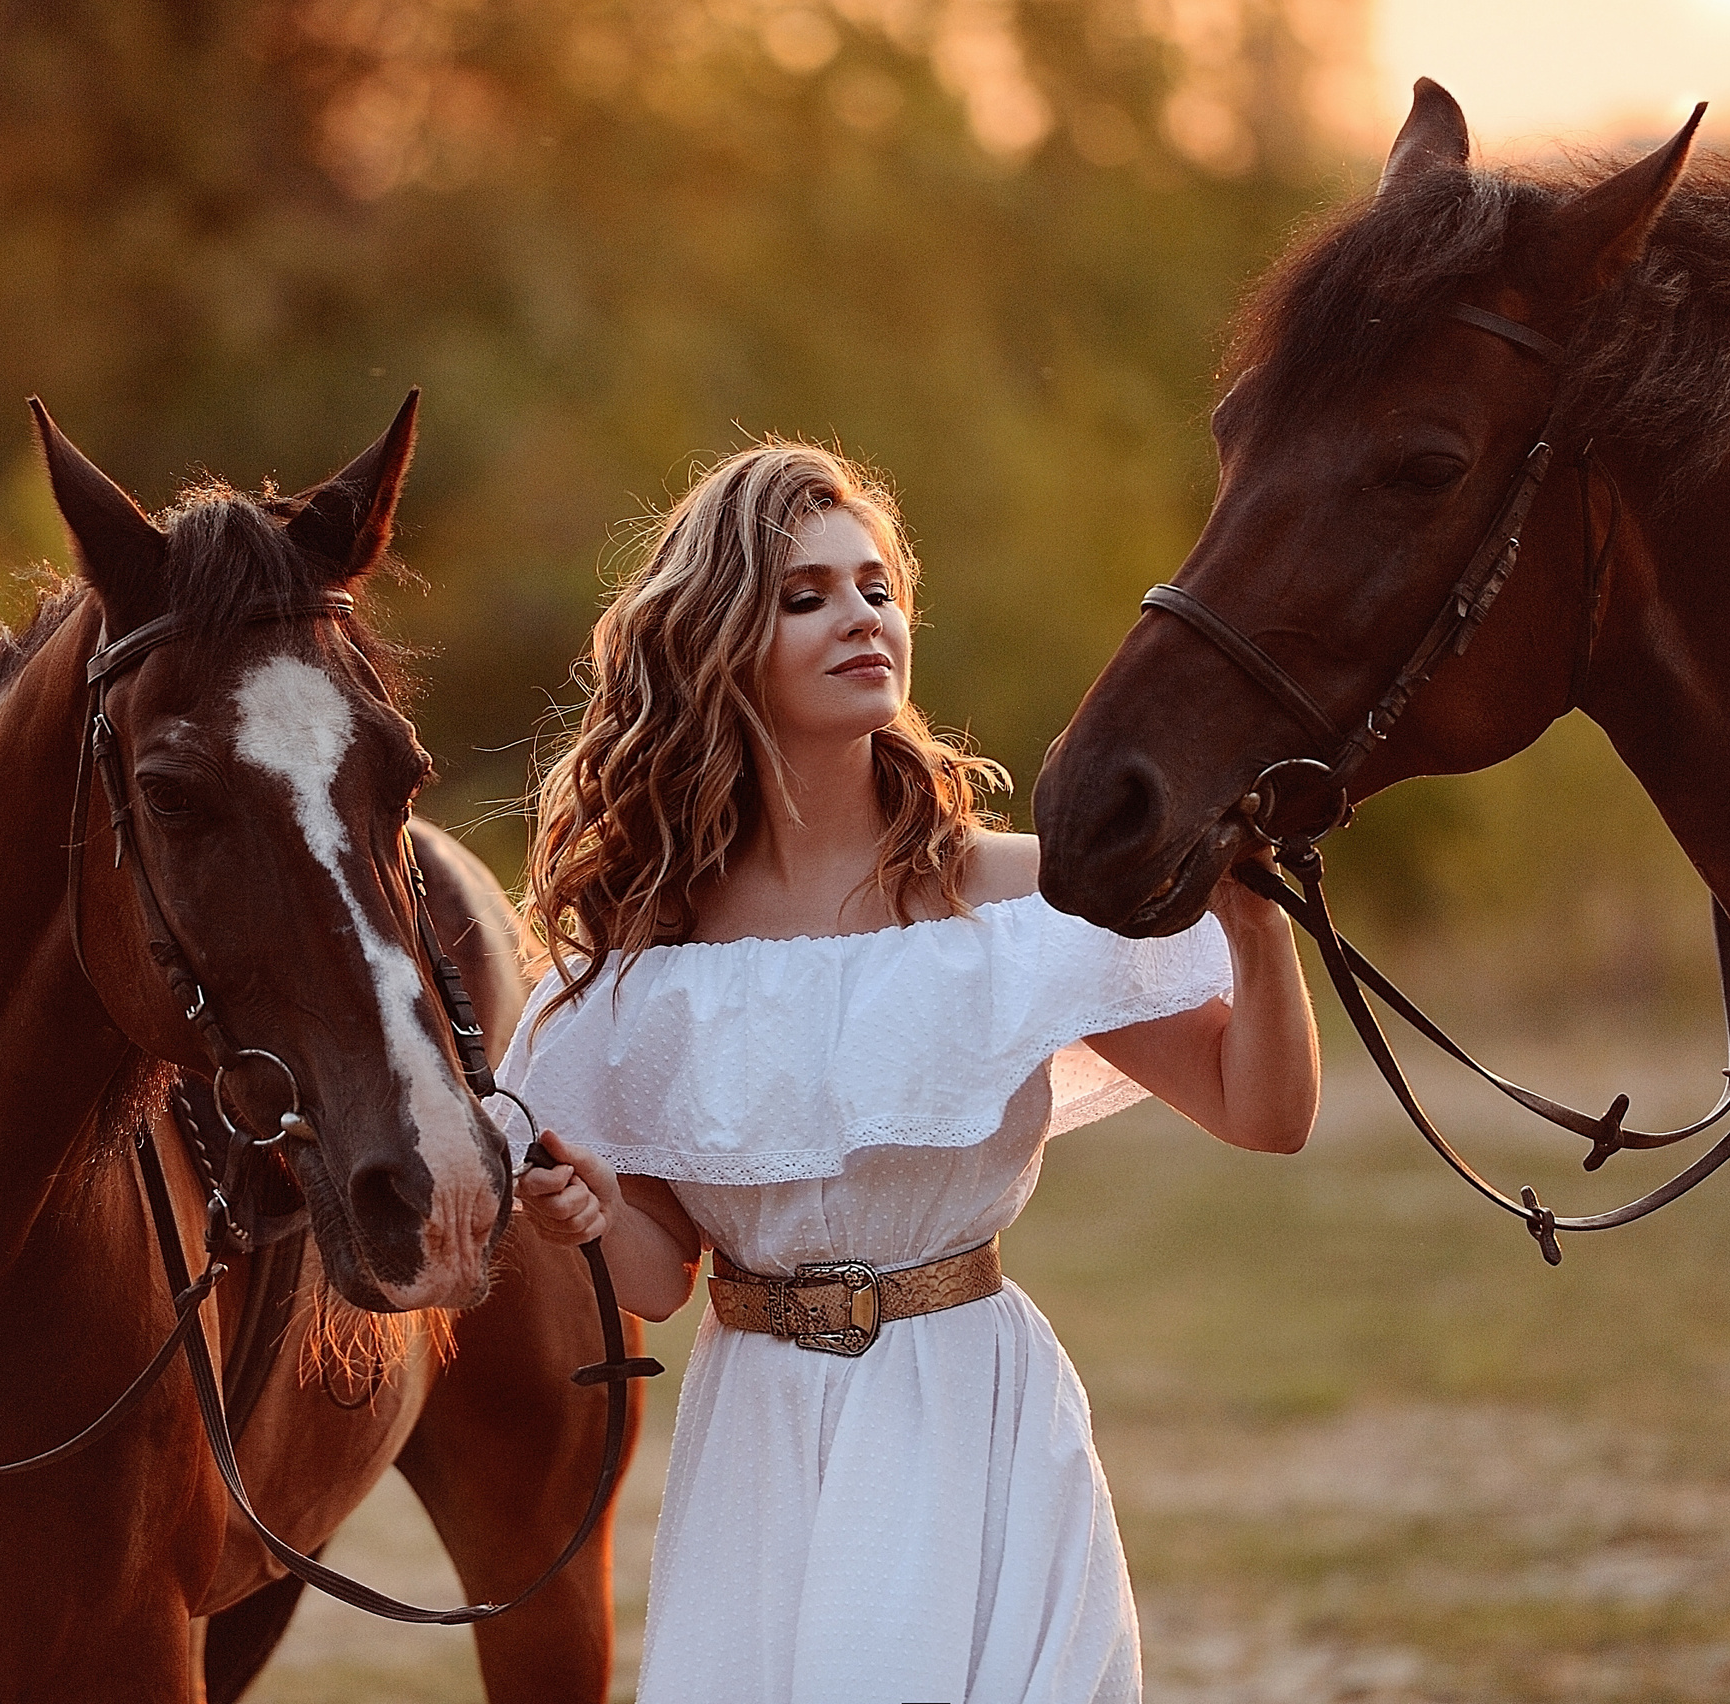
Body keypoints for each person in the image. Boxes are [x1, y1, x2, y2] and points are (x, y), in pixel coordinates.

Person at [497, 440, 1319, 1704]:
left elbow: (1266, 1116)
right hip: (762, 1436)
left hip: (968, 1407)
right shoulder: (645, 963)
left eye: (876, 587)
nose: (861, 618)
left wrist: (1258, 933)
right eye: (805, 595)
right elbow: (660, 1285)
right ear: (718, 640)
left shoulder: (1023, 902)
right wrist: (587, 1211)